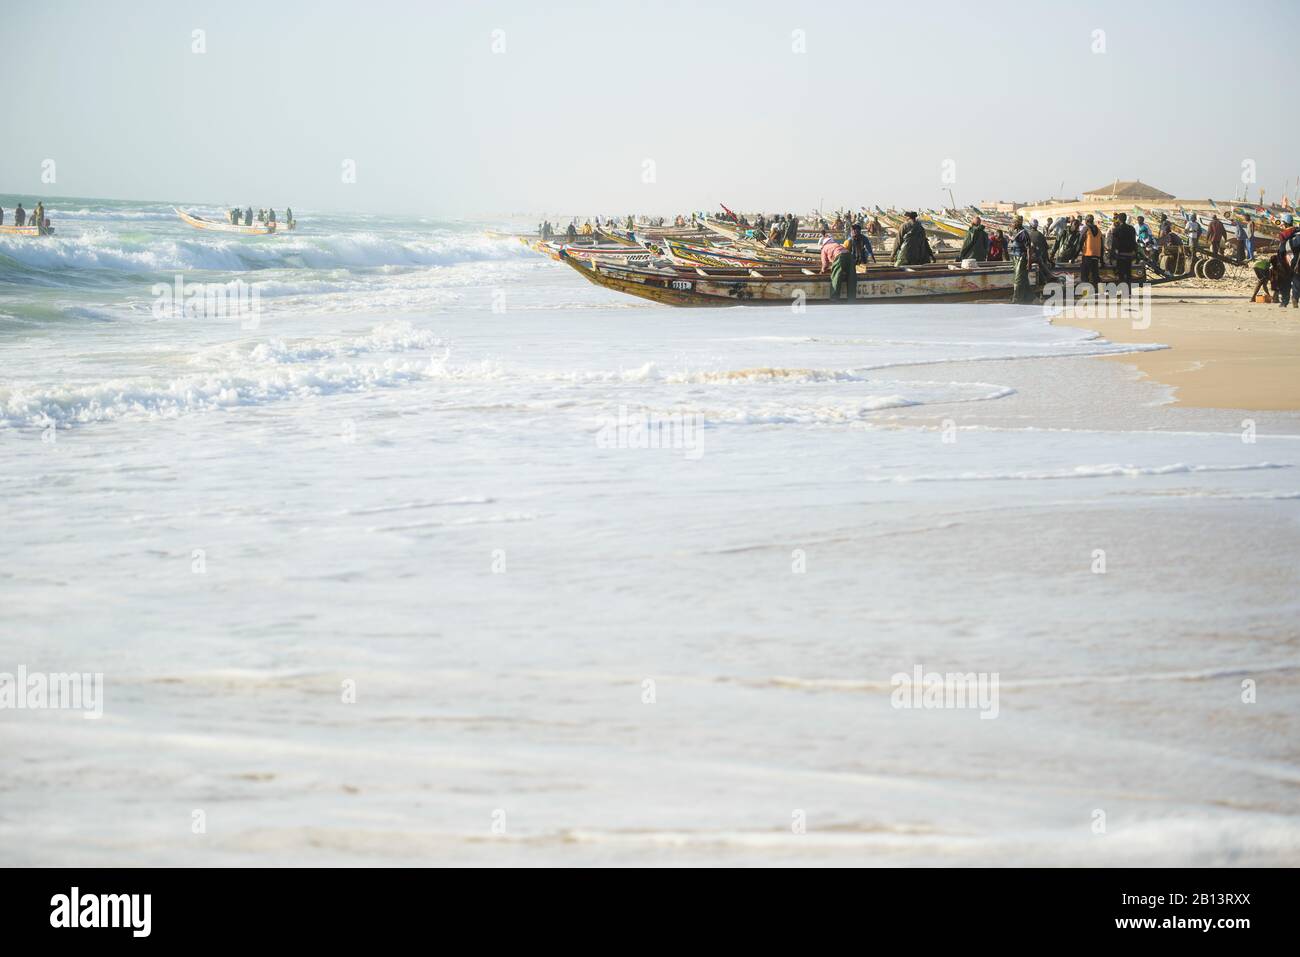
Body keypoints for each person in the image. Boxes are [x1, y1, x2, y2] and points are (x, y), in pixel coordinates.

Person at [820, 234, 855, 301]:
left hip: (840, 257)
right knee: (851, 277)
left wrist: (822, 271)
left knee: (836, 276)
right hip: (850, 256)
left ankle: (834, 298)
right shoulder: (837, 244)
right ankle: (852, 299)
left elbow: (825, 264)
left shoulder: (824, 248)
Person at [1007, 215, 1033, 304]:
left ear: (1017, 223)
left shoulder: (1024, 233)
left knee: (1018, 278)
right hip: (1015, 257)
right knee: (1023, 278)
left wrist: (1029, 262)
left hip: (1021, 258)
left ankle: (1016, 298)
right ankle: (1029, 297)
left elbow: (1029, 248)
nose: (1012, 224)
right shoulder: (1015, 232)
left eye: (1013, 222)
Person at [1276, 213, 1300, 308]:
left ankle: (1284, 302)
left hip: (1286, 260)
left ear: (1285, 223)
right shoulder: (1297, 231)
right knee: (1297, 280)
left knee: (1285, 281)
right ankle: (1295, 298)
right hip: (1297, 259)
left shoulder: (1283, 234)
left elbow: (1281, 249)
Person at [1109, 212, 1137, 290]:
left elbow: (1114, 244)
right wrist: (1135, 252)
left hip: (1120, 255)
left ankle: (1123, 290)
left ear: (1119, 219)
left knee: (1121, 273)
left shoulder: (1117, 230)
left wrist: (1112, 255)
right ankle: (1129, 290)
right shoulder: (1131, 228)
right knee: (1128, 273)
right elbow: (1134, 241)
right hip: (1129, 254)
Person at [1079, 214, 1103, 289]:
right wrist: (1102, 259)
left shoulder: (1085, 228)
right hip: (1096, 255)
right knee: (1095, 273)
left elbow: (1080, 242)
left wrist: (1075, 254)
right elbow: (1102, 245)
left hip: (1087, 254)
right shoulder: (1099, 230)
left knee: (1085, 274)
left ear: (1086, 221)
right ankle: (1097, 290)